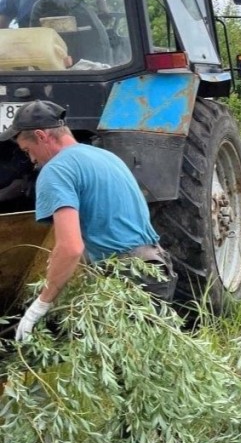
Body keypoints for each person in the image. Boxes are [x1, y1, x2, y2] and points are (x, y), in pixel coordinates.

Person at [1, 100, 176, 340]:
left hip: (126, 279)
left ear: (41, 136)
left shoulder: (56, 170)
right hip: (154, 268)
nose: (30, 159)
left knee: (118, 369)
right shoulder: (104, 157)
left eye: (27, 150)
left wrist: (41, 304)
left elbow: (71, 247)